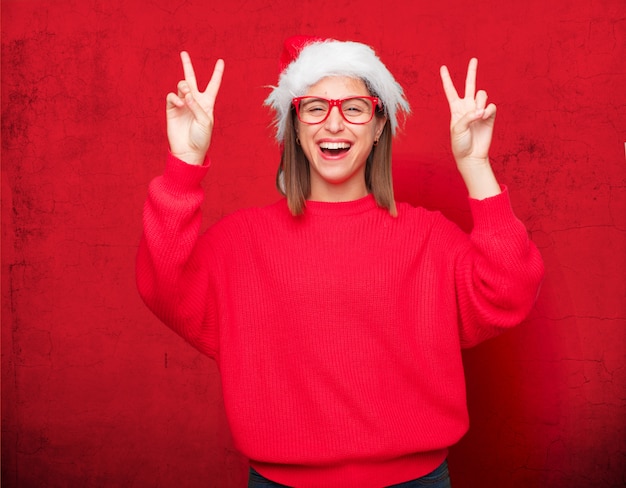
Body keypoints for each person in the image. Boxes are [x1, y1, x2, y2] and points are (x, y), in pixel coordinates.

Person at [136, 36, 544, 488]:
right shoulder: (242, 241)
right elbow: (164, 284)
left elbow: (510, 290)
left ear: (378, 126)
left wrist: (475, 164)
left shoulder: (427, 237)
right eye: (315, 107)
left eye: (354, 108)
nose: (334, 123)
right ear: (294, 125)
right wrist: (185, 162)